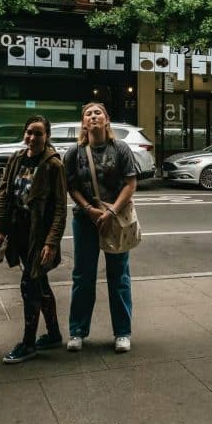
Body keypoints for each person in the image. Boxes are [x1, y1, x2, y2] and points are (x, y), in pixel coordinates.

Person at [0, 115, 68, 364]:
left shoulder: (53, 165)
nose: (32, 138)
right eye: (29, 133)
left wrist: (51, 243)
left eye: (38, 134)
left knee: (30, 284)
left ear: (47, 137)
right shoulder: (16, 159)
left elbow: (59, 209)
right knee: (40, 283)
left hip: (40, 236)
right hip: (19, 232)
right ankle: (54, 334)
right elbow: (4, 194)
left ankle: (28, 343)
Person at [63, 102, 138, 353]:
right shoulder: (74, 152)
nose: (93, 116)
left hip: (115, 219)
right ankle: (77, 331)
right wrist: (89, 210)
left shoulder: (121, 149)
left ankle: (122, 333)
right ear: (84, 123)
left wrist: (111, 211)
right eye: (88, 114)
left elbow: (130, 184)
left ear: (107, 120)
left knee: (119, 276)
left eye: (98, 113)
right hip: (85, 220)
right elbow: (71, 186)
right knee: (83, 276)